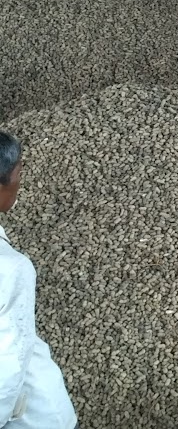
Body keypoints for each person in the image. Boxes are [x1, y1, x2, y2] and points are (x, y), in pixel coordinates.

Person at [0, 132, 78, 429]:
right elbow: (6, 367)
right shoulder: (10, 269)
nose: (20, 184)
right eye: (18, 174)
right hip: (30, 416)